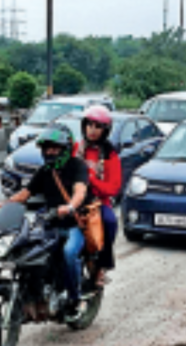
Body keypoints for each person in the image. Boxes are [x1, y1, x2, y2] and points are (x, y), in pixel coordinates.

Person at [0, 125, 93, 320]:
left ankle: (75, 298)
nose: (50, 152)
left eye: (54, 148)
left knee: (69, 253)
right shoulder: (45, 171)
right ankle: (35, 295)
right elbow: (25, 194)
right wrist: (4, 204)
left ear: (65, 149)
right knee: (28, 251)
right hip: (50, 223)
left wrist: (70, 206)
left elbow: (80, 191)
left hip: (74, 224)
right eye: (46, 148)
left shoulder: (77, 166)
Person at [72, 106, 122, 287]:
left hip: (98, 202)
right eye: (89, 125)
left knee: (109, 222)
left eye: (98, 126)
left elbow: (113, 188)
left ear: (105, 130)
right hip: (74, 198)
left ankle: (101, 266)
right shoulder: (76, 148)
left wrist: (91, 179)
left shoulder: (110, 155)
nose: (92, 130)